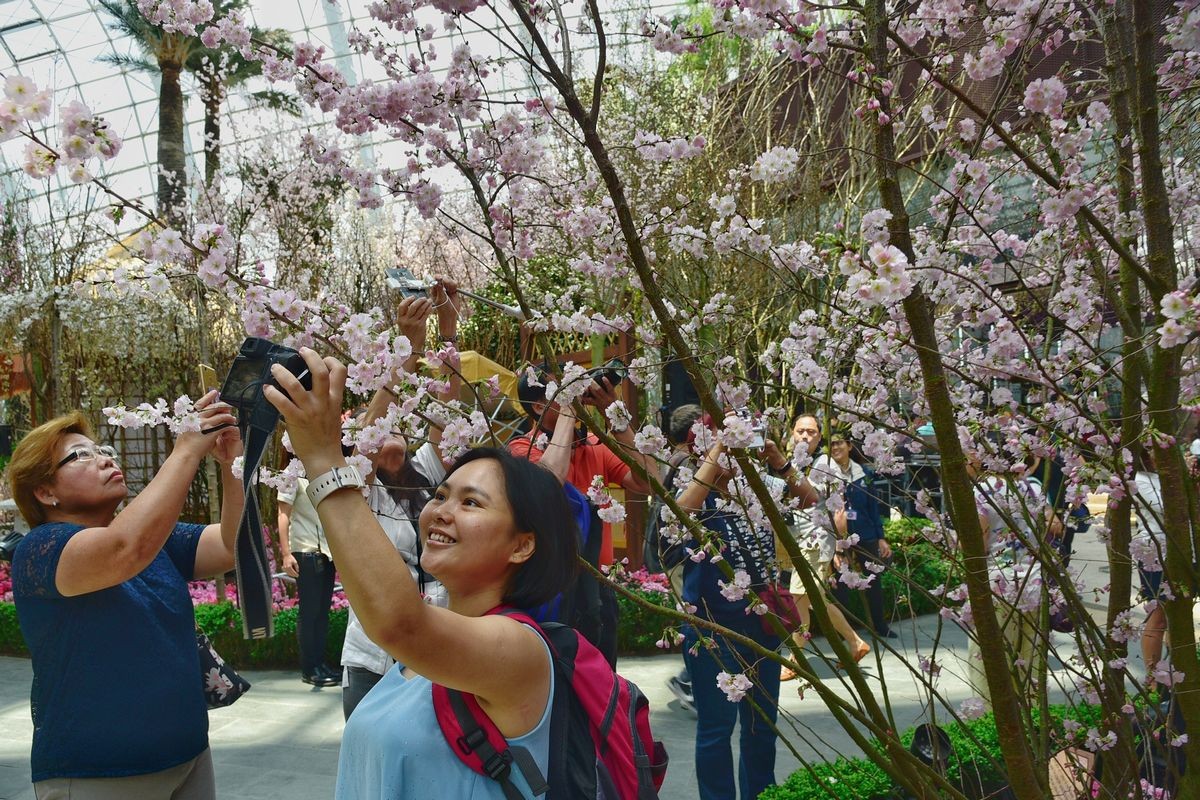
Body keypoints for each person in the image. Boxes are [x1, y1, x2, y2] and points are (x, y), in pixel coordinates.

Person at [264, 348, 579, 799]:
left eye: (470, 502)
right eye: (443, 495)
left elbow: (402, 623)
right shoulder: (418, 653)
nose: (440, 512)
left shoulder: (518, 649)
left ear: (522, 544)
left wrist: (322, 457)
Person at [8, 395, 242, 798]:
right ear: (46, 492)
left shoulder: (154, 541)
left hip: (188, 756)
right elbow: (121, 550)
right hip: (97, 773)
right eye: (81, 456)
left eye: (103, 450)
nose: (103, 459)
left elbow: (228, 546)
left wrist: (230, 467)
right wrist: (186, 448)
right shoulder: (41, 549)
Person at [340, 279, 461, 719]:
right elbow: (367, 439)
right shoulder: (357, 487)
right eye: (378, 423)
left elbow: (448, 414)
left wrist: (447, 330)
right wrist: (406, 351)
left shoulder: (428, 474)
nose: (389, 426)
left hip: (438, 646)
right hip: (375, 657)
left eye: (397, 421)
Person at [675, 426, 789, 800]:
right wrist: (718, 449)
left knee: (762, 726)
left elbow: (810, 499)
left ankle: (761, 795)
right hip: (712, 629)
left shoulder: (759, 491)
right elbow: (676, 519)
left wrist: (779, 461)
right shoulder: (696, 496)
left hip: (763, 625)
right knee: (716, 728)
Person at [510, 363, 656, 566]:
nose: (574, 391)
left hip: (598, 583)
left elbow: (649, 482)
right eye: (562, 389)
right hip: (550, 582)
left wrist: (614, 415)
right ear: (538, 406)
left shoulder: (593, 444)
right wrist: (568, 407)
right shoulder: (522, 449)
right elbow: (548, 483)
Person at [815, 430, 897, 640]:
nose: (835, 448)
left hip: (865, 532)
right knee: (840, 584)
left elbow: (873, 506)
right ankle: (846, 632)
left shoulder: (863, 473)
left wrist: (880, 536)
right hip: (837, 535)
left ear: (850, 446)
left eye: (839, 443)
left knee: (873, 580)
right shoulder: (825, 473)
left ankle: (880, 625)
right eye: (831, 444)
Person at [278, 470, 341, 687]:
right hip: (305, 551)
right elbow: (283, 514)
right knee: (310, 612)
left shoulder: (321, 470)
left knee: (322, 613)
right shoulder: (290, 473)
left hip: (327, 552)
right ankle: (309, 668)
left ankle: (320, 664)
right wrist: (286, 554)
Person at [1132, 449, 1167, 686]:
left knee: (1176, 614)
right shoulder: (1140, 479)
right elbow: (1168, 507)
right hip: (1154, 550)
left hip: (1183, 550)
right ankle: (1153, 679)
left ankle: (1175, 672)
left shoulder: (1170, 475)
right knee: (1158, 615)